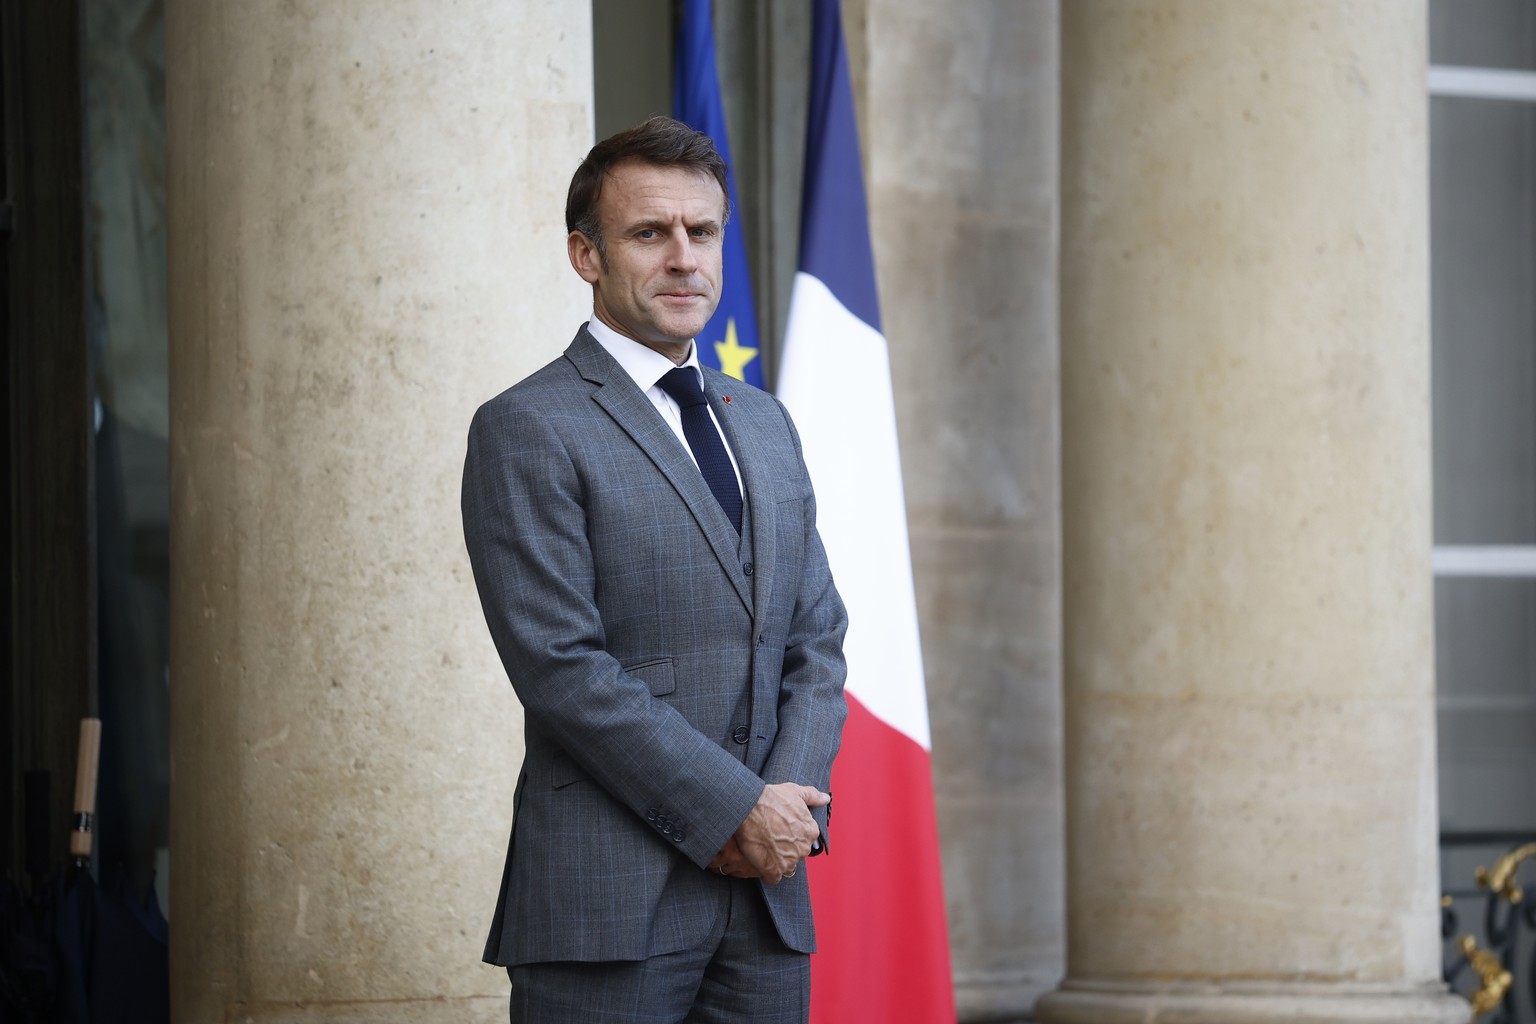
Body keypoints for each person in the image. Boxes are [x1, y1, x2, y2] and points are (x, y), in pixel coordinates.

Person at [460, 115, 849, 1023]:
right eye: (649, 233)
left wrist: (777, 818)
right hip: (608, 905)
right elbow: (562, 667)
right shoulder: (527, 426)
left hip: (765, 903)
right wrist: (732, 815)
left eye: (702, 232)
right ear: (585, 256)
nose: (684, 258)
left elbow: (817, 639)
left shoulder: (764, 420)